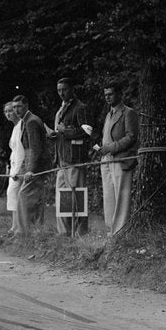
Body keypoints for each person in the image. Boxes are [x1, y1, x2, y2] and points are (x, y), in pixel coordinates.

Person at [97, 82, 140, 235]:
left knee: (121, 196)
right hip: (107, 161)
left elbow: (131, 137)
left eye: (111, 94)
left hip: (121, 160)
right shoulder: (109, 114)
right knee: (109, 196)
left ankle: (120, 232)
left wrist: (110, 148)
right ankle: (111, 231)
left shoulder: (128, 113)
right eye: (105, 94)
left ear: (120, 94)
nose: (107, 97)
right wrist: (103, 149)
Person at [51, 78, 92, 236]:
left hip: (75, 159)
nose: (61, 93)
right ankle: (64, 233)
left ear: (72, 89)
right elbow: (61, 131)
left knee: (77, 196)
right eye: (59, 90)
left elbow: (86, 132)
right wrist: (54, 135)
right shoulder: (61, 109)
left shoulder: (80, 107)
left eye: (64, 90)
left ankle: (80, 234)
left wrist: (64, 131)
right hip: (62, 159)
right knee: (63, 196)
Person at [12, 94, 49, 234]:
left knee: (24, 194)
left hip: (37, 165)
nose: (16, 110)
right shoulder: (24, 121)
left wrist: (31, 170)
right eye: (14, 107)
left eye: (19, 107)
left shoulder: (31, 121)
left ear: (26, 106)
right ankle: (35, 230)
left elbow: (35, 149)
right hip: (30, 162)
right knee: (35, 198)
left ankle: (23, 231)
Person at [3, 101, 22, 230]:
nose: (8, 113)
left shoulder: (21, 126)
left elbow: (21, 151)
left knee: (14, 192)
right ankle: (15, 225)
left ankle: (17, 225)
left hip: (19, 167)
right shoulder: (15, 127)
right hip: (13, 165)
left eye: (10, 110)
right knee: (12, 194)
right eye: (6, 111)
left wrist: (18, 170)